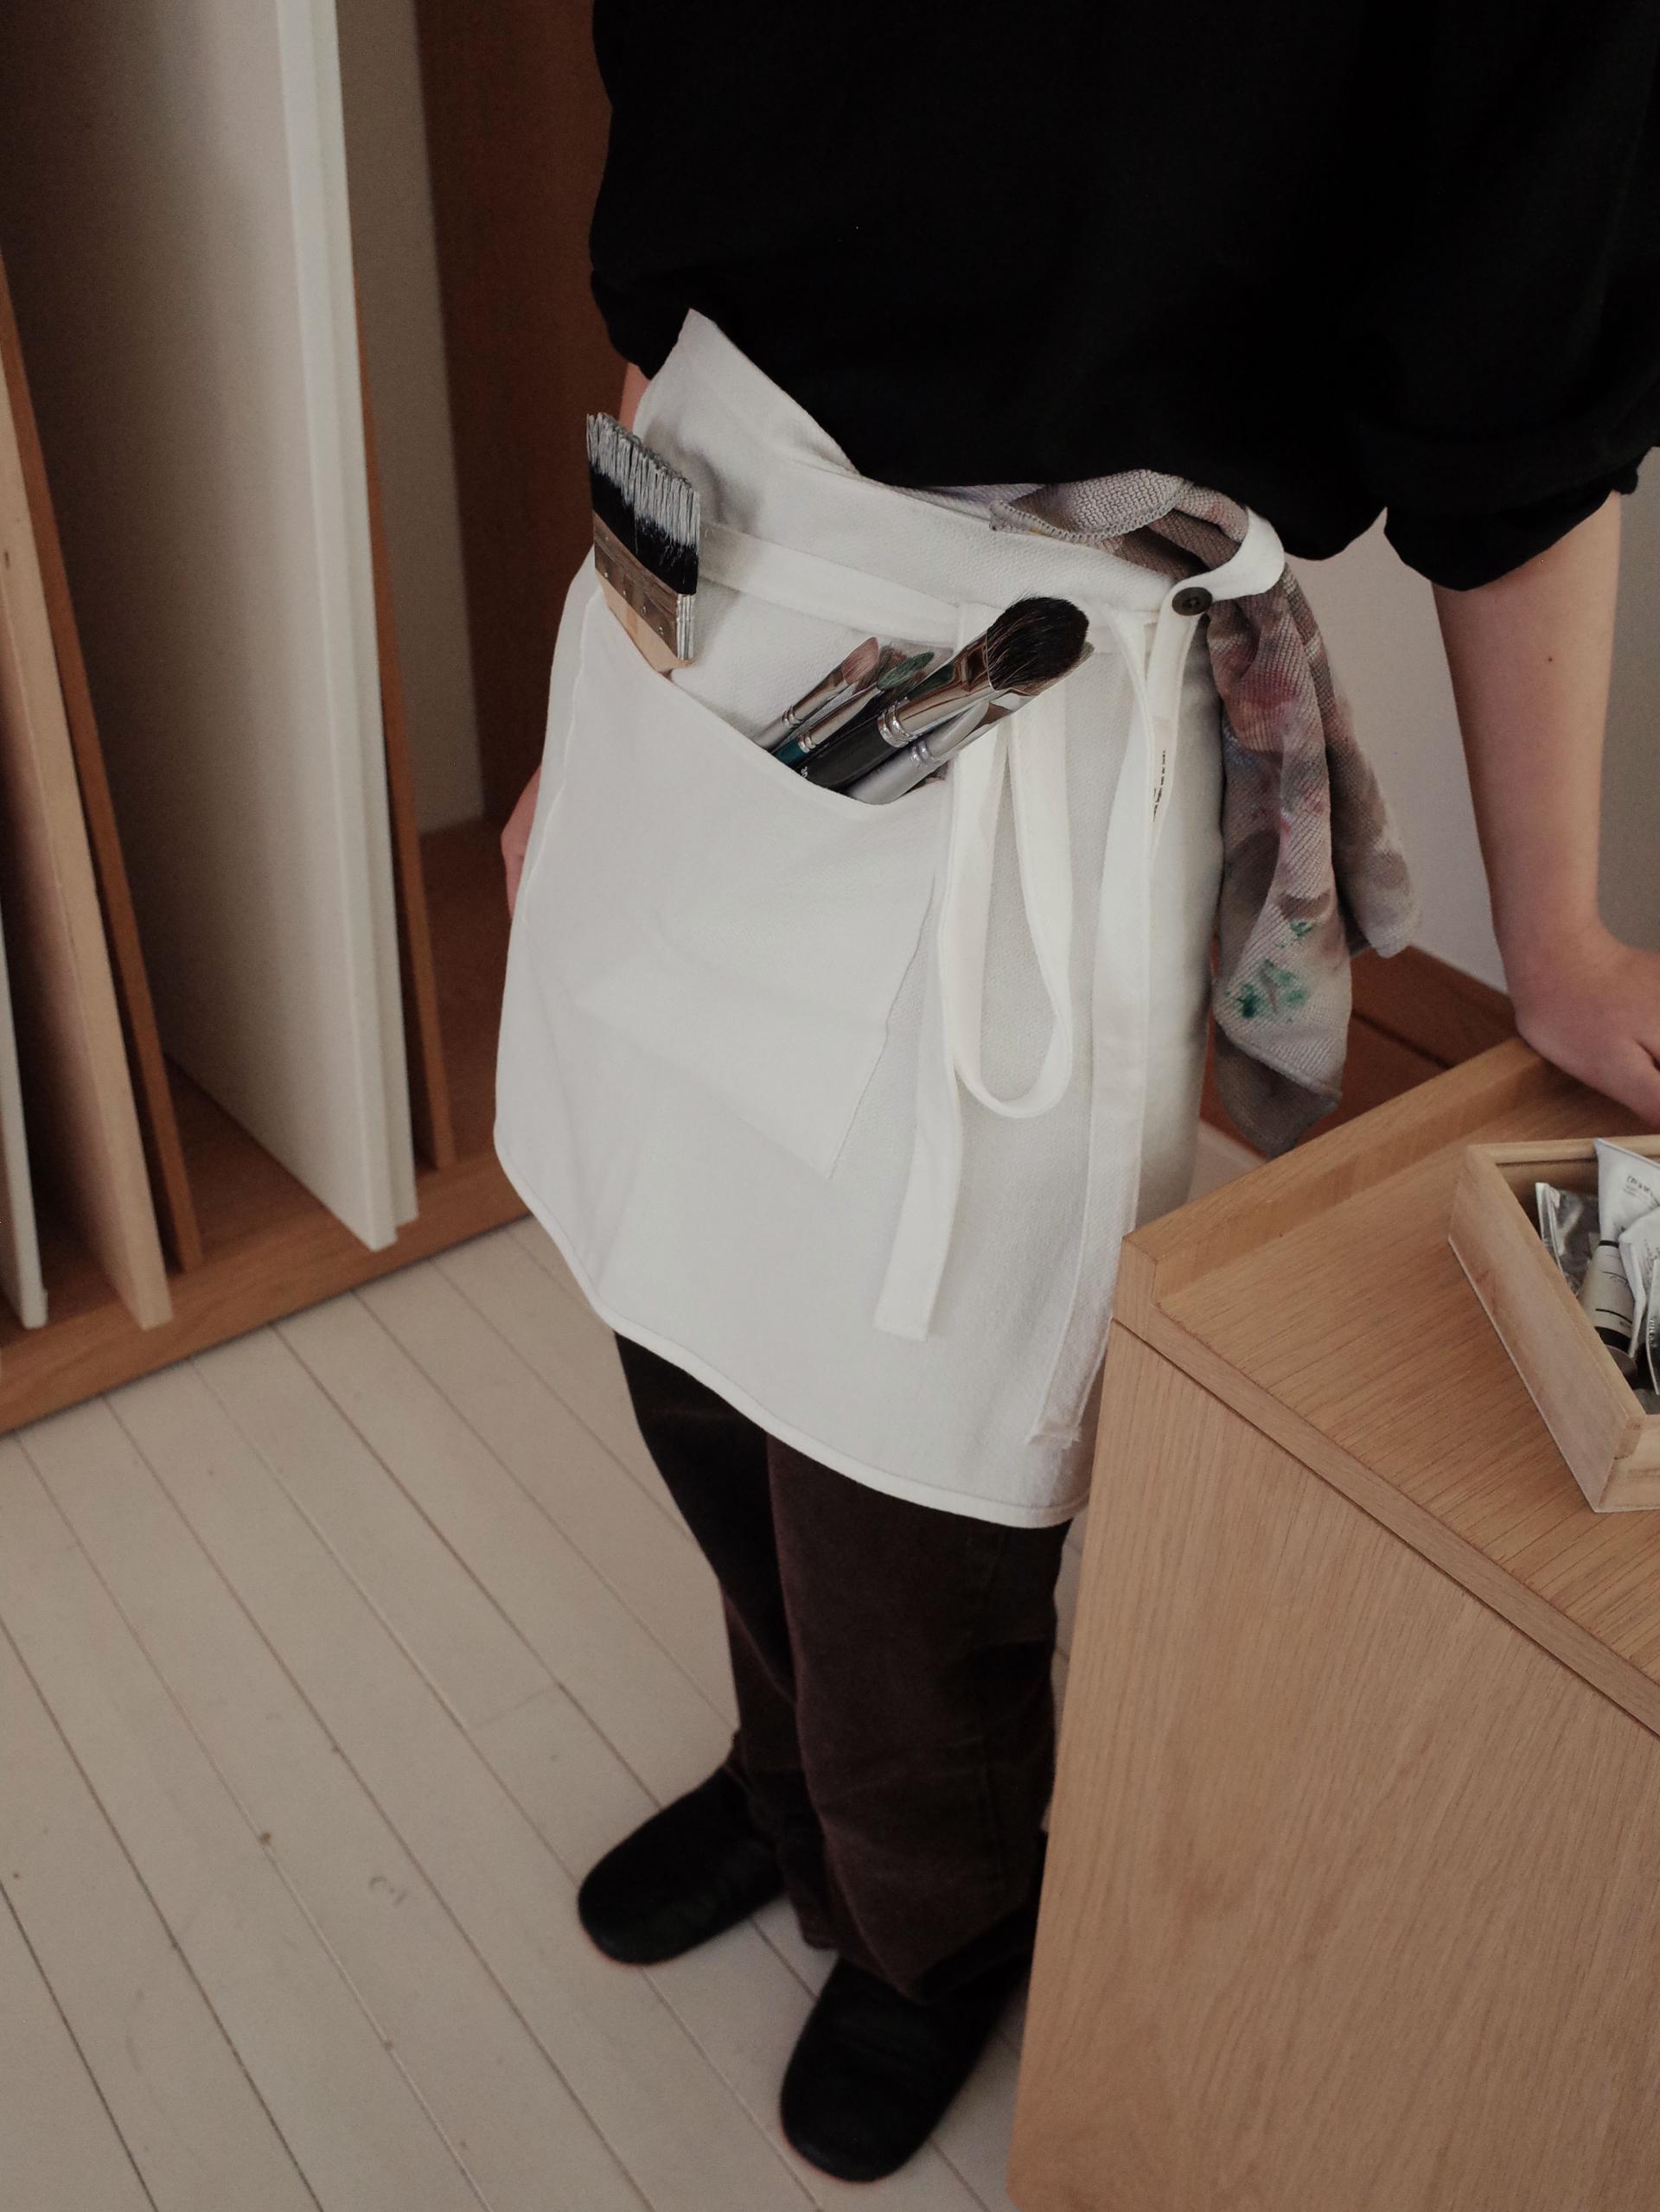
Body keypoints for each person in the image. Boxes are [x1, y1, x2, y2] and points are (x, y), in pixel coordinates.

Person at [495, 3, 1660, 2183]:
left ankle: (926, 1918)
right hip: (698, 574)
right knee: (678, 1320)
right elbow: (683, 208)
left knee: (909, 1470)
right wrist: (616, 681)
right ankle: (786, 1778)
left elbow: (1523, 392)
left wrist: (1560, 933)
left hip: (1023, 683)